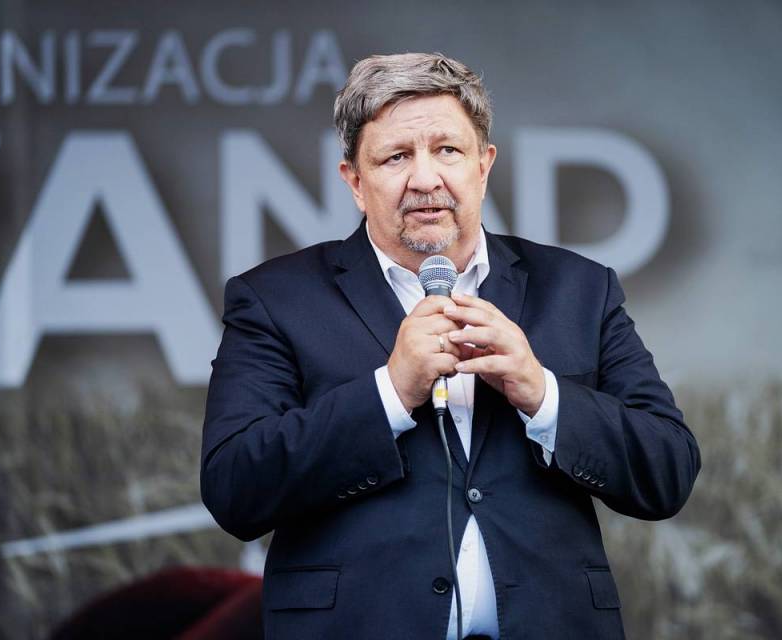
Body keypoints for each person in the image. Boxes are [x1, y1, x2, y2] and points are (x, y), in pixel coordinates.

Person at [201, 52, 701, 640]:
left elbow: (668, 469)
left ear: (483, 166)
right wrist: (390, 392)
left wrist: (542, 394)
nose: (425, 179)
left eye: (447, 150)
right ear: (355, 181)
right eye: (396, 157)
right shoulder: (275, 298)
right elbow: (234, 486)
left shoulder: (579, 289)